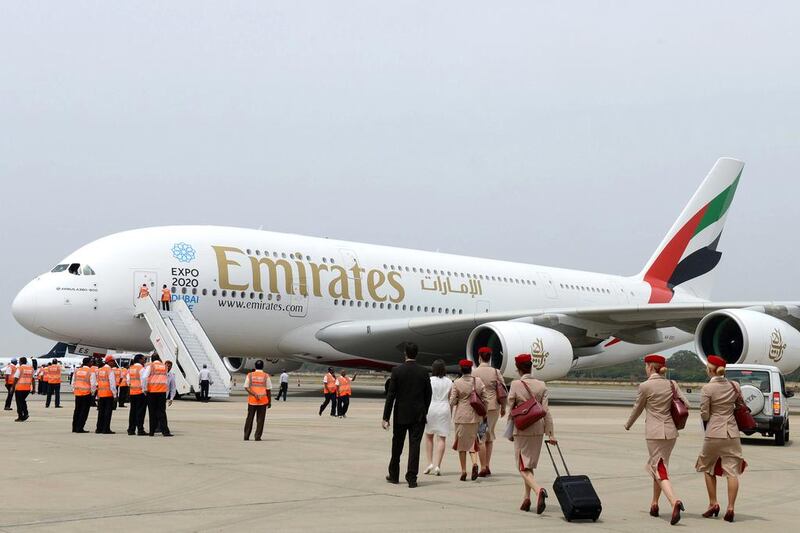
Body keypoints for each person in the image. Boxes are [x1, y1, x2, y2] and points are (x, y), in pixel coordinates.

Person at [625, 354, 689, 525]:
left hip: (654, 433)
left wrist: (628, 424)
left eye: (646, 366)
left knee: (659, 468)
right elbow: (686, 404)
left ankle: (674, 501)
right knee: (658, 466)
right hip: (671, 432)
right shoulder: (672, 384)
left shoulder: (645, 386)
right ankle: (654, 503)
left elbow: (637, 408)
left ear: (650, 367)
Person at [695, 355, 747, 523]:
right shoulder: (735, 385)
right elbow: (740, 405)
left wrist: (710, 419)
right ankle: (731, 508)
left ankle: (713, 503)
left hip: (714, 432)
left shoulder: (707, 389)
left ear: (711, 370)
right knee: (732, 472)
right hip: (731, 432)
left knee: (708, 468)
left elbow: (704, 413)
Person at [507, 354, 556, 514]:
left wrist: (509, 430)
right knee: (528, 465)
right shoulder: (542, 385)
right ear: (531, 367)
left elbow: (511, 409)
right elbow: (546, 411)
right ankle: (526, 499)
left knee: (521, 467)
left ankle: (538, 490)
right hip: (538, 431)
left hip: (522, 429)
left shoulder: (515, 384)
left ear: (518, 368)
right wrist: (551, 433)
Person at [382, 342, 432, 488]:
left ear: (405, 354)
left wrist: (386, 417)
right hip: (418, 415)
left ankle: (394, 474)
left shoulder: (397, 371)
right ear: (416, 354)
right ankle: (412, 478)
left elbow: (391, 395)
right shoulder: (423, 371)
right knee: (414, 446)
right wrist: (424, 410)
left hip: (401, 414)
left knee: (397, 445)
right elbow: (428, 394)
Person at [449, 359, 488, 481]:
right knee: (473, 442)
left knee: (461, 445)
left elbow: (452, 401)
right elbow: (485, 399)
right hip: (474, 417)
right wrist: (483, 412)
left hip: (461, 417)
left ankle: (463, 471)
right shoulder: (478, 381)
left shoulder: (457, 383)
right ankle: (475, 463)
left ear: (461, 369)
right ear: (471, 369)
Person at [472, 347, 506, 477]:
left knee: (481, 437)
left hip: (480, 408)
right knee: (490, 436)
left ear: (479, 357)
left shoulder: (474, 373)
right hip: (493, 408)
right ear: (490, 357)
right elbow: (503, 391)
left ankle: (483, 467)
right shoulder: (496, 372)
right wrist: (503, 407)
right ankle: (488, 465)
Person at [423, 359, 452, 477]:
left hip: (431, 407)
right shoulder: (449, 381)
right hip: (444, 407)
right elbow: (450, 397)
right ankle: (438, 465)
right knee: (442, 438)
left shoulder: (429, 380)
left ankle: (429, 462)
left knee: (429, 436)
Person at [141, 354, 172, 436]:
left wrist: (144, 389)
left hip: (152, 392)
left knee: (152, 412)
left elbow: (144, 377)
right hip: (162, 392)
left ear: (152, 359)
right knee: (162, 412)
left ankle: (152, 432)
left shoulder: (150, 366)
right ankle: (165, 432)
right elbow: (166, 380)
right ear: (159, 358)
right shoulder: (164, 366)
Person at [244, 360, 272, 441]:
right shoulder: (266, 376)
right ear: (263, 366)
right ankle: (257, 436)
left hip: (252, 401)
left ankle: (246, 436)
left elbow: (246, 387)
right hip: (263, 401)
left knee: (249, 419)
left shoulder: (250, 375)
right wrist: (269, 402)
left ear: (255, 366)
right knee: (260, 420)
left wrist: (253, 394)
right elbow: (268, 390)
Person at [71, 357, 96, 433]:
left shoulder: (77, 370)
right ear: (88, 363)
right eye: (91, 362)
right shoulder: (90, 371)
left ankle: (74, 427)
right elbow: (93, 384)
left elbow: (73, 382)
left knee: (77, 410)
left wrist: (74, 390)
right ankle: (80, 428)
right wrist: (93, 393)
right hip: (86, 393)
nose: (92, 363)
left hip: (78, 393)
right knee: (84, 411)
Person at [95, 355, 118, 434]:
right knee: (107, 412)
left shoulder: (100, 370)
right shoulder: (109, 370)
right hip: (108, 394)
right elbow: (112, 383)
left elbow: (97, 382)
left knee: (101, 412)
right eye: (113, 361)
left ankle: (99, 428)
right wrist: (115, 395)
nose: (114, 363)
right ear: (109, 362)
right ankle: (106, 429)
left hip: (101, 394)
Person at [127, 354, 147, 436]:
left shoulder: (130, 368)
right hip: (140, 392)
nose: (144, 360)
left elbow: (128, 381)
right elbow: (144, 380)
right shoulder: (141, 369)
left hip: (132, 392)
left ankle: (131, 429)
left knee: (132, 411)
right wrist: (145, 390)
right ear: (139, 359)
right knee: (140, 412)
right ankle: (140, 429)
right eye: (143, 359)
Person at [12, 357, 34, 421]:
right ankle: (25, 413)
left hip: (19, 388)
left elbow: (16, 378)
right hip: (27, 389)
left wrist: (12, 387)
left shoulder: (20, 368)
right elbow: (33, 379)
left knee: (19, 403)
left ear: (20, 362)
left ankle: (20, 417)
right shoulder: (31, 369)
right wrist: (34, 388)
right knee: (23, 401)